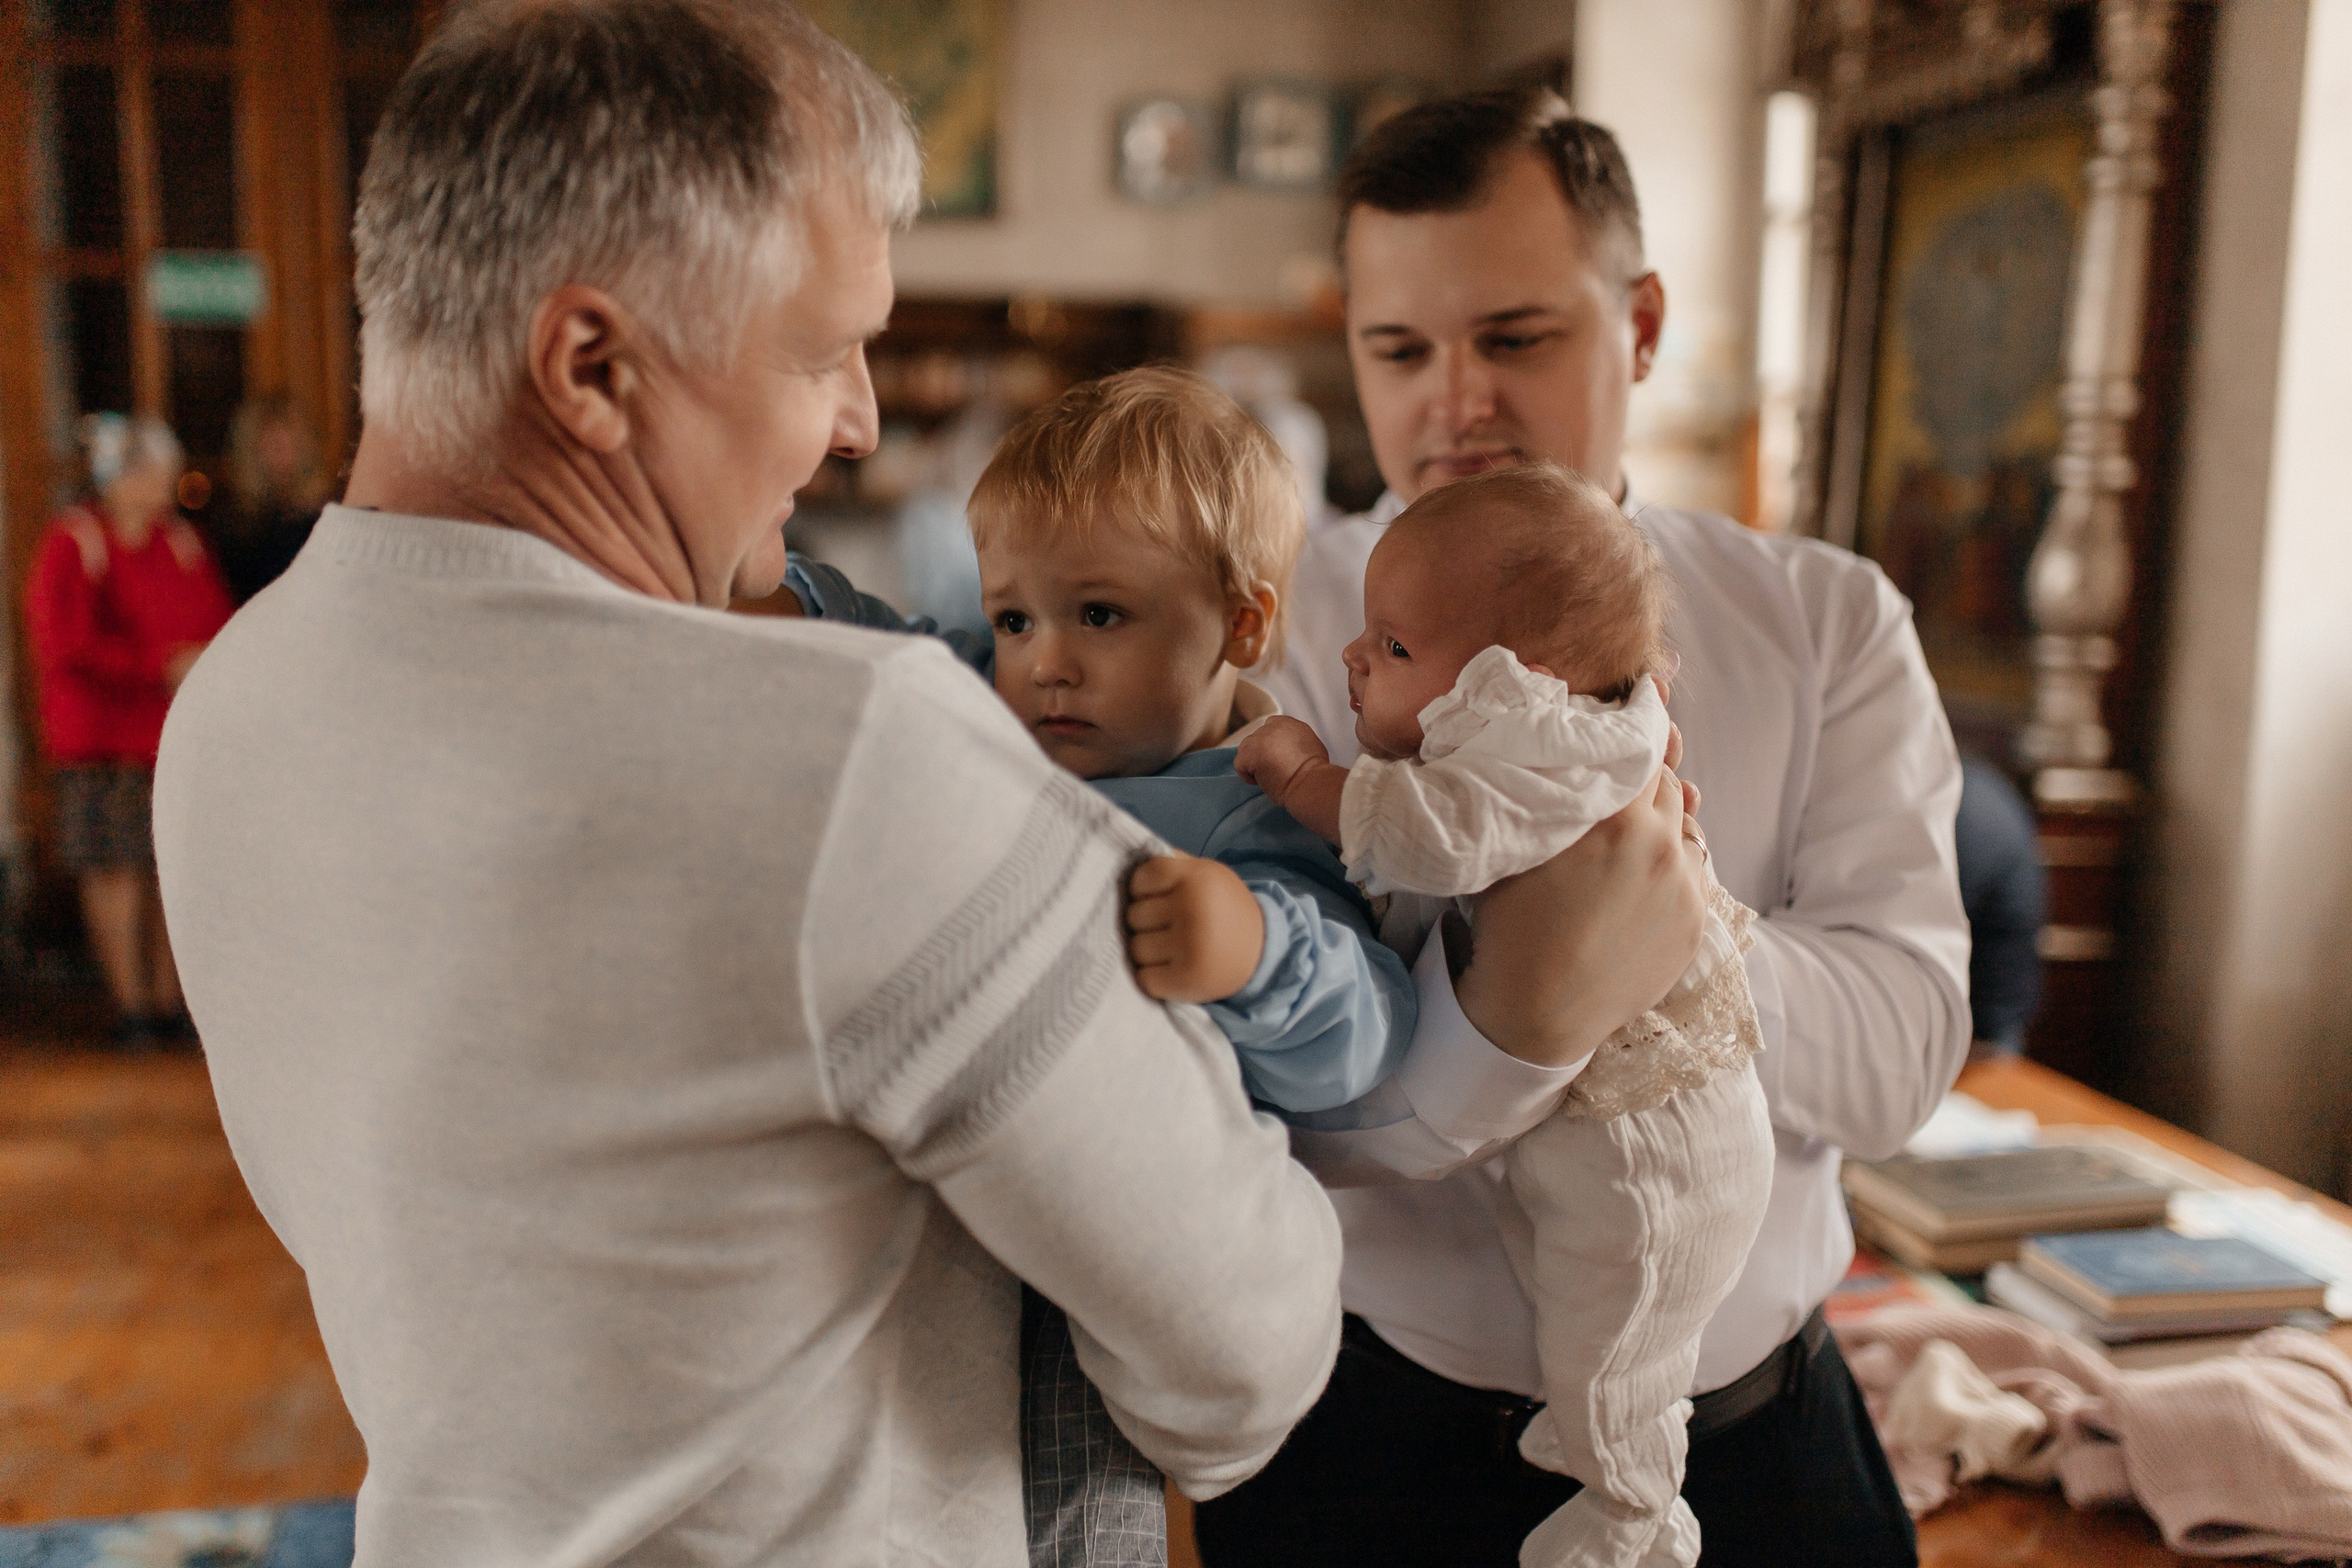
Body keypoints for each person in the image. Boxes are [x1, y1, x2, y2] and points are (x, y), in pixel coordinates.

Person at [153, 9, 1702, 1564]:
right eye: (824, 352)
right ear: (590, 363)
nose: (860, 422)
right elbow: (1239, 1364)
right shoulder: (855, 756)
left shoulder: (232, 701)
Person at [1195, 86, 1971, 1567]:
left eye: (1517, 337)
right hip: (1364, 1459)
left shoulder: (1827, 621)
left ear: (1645, 322)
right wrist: (1515, 1006)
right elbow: (1247, 1107)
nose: (1456, 399)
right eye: (1400, 348)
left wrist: (1677, 934)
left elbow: (1901, 1055)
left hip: (1758, 1455)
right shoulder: (1275, 643)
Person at [1237, 463, 1773, 1568]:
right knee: (1578, 1295)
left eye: (1390, 649)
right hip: (1566, 1168)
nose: (1353, 659)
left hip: (1655, 1151)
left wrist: (1303, 777)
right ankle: (1594, 1433)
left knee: (1619, 1342)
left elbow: (1431, 835)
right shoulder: (1577, 725)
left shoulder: (1539, 754)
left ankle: (1628, 1518)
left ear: (1508, 683)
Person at [25, 413, 232, 1046]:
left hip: (168, 737)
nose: (164, 483)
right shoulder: (75, 541)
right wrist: (158, 664)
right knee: (115, 869)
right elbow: (64, 644)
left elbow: (216, 616)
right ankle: (132, 1004)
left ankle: (171, 1003)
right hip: (100, 739)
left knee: (168, 868)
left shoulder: (182, 543)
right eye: (152, 470)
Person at [212, 395, 332, 603]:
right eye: (272, 445)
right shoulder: (237, 530)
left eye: (288, 443)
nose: (281, 455)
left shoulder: (325, 521)